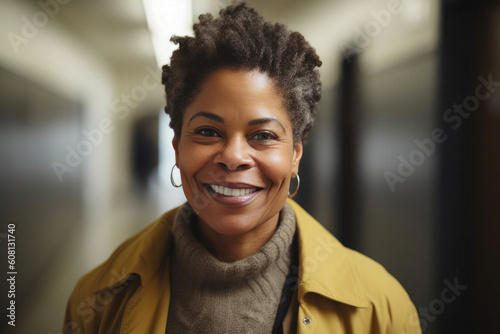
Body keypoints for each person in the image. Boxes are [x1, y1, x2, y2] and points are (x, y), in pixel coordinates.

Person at [63, 2, 421, 333]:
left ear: (296, 154)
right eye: (207, 131)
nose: (233, 157)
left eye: (263, 135)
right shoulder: (97, 300)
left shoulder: (381, 309)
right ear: (176, 148)